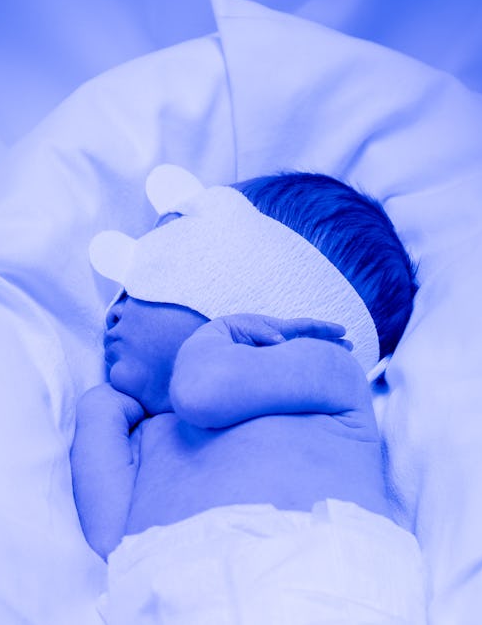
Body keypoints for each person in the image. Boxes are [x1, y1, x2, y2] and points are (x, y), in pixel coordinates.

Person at [71, 166, 425, 623]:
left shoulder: (328, 372)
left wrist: (220, 336)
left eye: (144, 282)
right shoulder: (155, 434)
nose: (113, 310)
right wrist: (99, 414)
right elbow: (113, 540)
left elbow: (203, 390)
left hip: (314, 583)